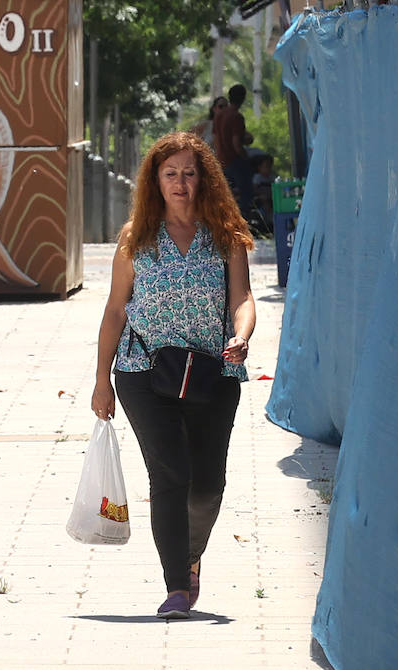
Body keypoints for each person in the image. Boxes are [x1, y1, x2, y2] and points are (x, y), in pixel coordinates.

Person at [91, 131, 256, 620]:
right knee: (170, 476)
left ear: (204, 179)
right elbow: (116, 309)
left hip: (214, 371)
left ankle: (189, 557)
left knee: (207, 484)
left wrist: (242, 336)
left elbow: (242, 298)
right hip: (143, 371)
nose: (181, 184)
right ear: (155, 181)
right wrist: (102, 380)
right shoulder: (135, 238)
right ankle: (176, 589)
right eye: (170, 174)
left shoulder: (226, 234)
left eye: (189, 173)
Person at [213, 84, 253, 212]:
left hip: (221, 160)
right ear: (243, 98)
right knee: (246, 194)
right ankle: (244, 222)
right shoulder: (236, 117)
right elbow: (236, 143)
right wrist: (245, 157)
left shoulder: (219, 116)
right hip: (234, 161)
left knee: (225, 197)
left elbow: (216, 139)